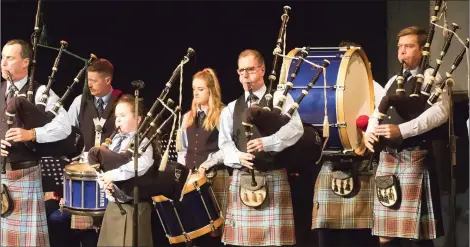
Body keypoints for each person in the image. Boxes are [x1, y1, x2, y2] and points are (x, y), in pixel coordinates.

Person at [365, 26, 447, 247]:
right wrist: (369, 133)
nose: (401, 52)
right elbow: (378, 111)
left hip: (413, 157)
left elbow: (440, 113)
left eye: (409, 46)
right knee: (385, 234)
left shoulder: (432, 77)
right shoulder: (393, 81)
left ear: (423, 50)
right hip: (388, 158)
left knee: (416, 233)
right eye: (400, 46)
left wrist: (402, 130)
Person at [218, 49, 303, 246]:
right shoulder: (231, 108)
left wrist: (268, 142)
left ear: (263, 69)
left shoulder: (279, 97)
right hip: (244, 179)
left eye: (250, 69)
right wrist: (238, 157)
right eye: (241, 71)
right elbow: (225, 143)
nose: (245, 75)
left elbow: (296, 128)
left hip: (273, 176)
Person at [0, 39, 72, 246]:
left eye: (10, 58)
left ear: (25, 62)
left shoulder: (40, 92)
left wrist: (32, 134)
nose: (3, 63)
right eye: (2, 57)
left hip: (26, 175)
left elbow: (64, 126)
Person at [311, 40, 383, 247]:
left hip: (363, 166)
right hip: (331, 165)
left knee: (362, 236)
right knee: (326, 232)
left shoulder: (376, 90)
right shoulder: (327, 89)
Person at [47, 58, 123, 247]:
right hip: (84, 173)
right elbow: (67, 132)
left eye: (94, 81)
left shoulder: (122, 103)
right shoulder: (80, 102)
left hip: (112, 174)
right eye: (88, 80)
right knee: (79, 226)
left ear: (107, 80)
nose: (89, 85)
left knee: (105, 225)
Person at [176, 68, 228, 246]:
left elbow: (227, 148)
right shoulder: (187, 117)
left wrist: (209, 163)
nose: (196, 93)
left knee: (215, 232)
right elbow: (183, 151)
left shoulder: (222, 115)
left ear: (211, 90)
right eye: (194, 89)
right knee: (192, 231)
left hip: (214, 179)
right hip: (191, 181)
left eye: (201, 89)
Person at [95, 94, 154, 247]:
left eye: (123, 115)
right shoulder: (113, 142)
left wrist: (112, 175)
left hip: (133, 207)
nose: (118, 120)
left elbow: (141, 165)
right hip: (114, 206)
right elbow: (101, 166)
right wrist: (103, 182)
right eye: (116, 116)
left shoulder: (143, 141)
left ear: (138, 120)